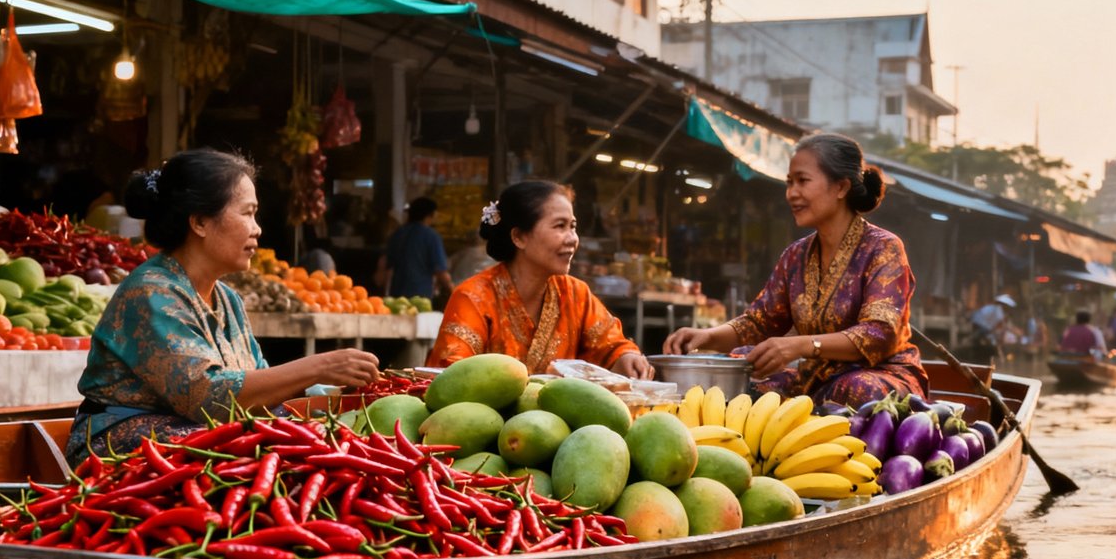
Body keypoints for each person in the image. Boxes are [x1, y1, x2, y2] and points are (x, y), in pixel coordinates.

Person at [65, 149, 380, 466]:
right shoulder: (151, 293)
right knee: (259, 452)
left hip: (188, 440)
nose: (257, 228)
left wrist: (341, 395)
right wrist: (320, 366)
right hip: (114, 451)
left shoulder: (228, 300)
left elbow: (259, 391)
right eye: (247, 213)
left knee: (306, 445)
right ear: (200, 222)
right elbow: (205, 397)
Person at [663, 133, 928, 404]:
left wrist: (800, 345)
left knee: (856, 389)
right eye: (789, 183)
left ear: (841, 187)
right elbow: (759, 322)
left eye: (803, 181)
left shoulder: (883, 248)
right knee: (747, 388)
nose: (791, 193)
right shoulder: (795, 256)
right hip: (817, 377)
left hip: (881, 376)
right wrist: (704, 337)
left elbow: (879, 334)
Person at [427, 181, 653, 379]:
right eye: (560, 226)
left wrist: (626, 357)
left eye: (573, 226)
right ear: (519, 237)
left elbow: (610, 345)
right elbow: (451, 377)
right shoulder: (473, 297)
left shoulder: (576, 294)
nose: (572, 239)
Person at [377, 196, 452, 300]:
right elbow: (441, 271)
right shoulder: (431, 236)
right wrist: (452, 289)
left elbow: (385, 264)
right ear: (431, 214)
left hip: (396, 296)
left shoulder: (397, 234)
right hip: (420, 296)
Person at [969, 294, 1016, 359]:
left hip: (979, 324)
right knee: (991, 341)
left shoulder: (995, 309)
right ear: (1005, 305)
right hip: (981, 326)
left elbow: (998, 326)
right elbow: (996, 327)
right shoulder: (998, 310)